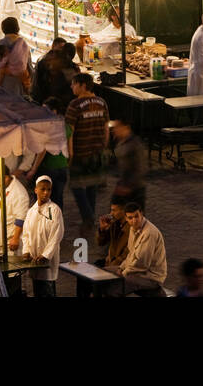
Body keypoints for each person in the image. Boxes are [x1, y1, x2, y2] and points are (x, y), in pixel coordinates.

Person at [66, 73, 110, 232]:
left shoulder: (75, 105)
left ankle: (88, 216)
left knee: (76, 185)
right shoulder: (102, 103)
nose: (72, 87)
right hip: (96, 151)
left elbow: (69, 132)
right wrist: (104, 147)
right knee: (91, 185)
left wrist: (70, 154)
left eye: (74, 84)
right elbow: (106, 129)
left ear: (83, 85)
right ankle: (89, 216)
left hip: (80, 152)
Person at [108, 203, 167, 296]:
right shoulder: (133, 228)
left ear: (141, 214)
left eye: (136, 216)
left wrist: (124, 272)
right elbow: (131, 254)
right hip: (136, 272)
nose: (134, 220)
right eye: (130, 218)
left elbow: (142, 264)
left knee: (115, 288)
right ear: (126, 218)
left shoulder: (149, 233)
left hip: (150, 276)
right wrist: (121, 267)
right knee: (104, 273)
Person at [21, 175, 64, 297]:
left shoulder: (55, 210)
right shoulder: (31, 212)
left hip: (48, 260)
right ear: (36, 190)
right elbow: (26, 235)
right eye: (43, 189)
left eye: (49, 190)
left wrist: (46, 255)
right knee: (37, 289)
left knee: (48, 289)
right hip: (34, 259)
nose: (46, 193)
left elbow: (56, 235)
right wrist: (26, 251)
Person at [0, 163, 29, 256]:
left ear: (6, 178)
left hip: (9, 237)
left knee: (10, 267)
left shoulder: (19, 194)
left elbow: (21, 219)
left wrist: (15, 238)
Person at [110, 117, 147, 209]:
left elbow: (140, 167)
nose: (114, 130)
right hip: (124, 185)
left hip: (134, 189)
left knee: (135, 219)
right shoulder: (121, 141)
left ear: (126, 127)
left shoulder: (135, 143)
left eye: (117, 127)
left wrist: (129, 186)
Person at [0, 17, 32, 94]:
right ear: (17, 28)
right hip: (20, 81)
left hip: (5, 83)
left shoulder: (1, 43)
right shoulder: (24, 44)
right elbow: (29, 65)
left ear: (3, 29)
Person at [96, 199, 130, 269]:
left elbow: (127, 253)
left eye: (114, 210)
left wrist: (111, 265)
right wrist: (102, 230)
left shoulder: (130, 228)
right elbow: (100, 243)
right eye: (111, 210)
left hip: (120, 265)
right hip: (109, 262)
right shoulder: (114, 224)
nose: (111, 214)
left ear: (123, 211)